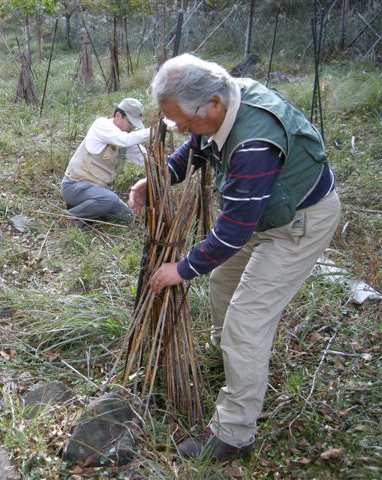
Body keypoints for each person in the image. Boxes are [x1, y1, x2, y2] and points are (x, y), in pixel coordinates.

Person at [128, 54, 340, 461]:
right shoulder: (223, 98)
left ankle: (233, 432)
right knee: (223, 280)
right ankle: (237, 360)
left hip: (298, 223)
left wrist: (182, 268)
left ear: (213, 105)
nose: (184, 130)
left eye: (185, 122)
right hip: (264, 209)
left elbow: (235, 229)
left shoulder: (253, 143)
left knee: (247, 318)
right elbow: (197, 145)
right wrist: (158, 178)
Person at [61, 98, 150, 227]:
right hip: (74, 186)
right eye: (131, 122)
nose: (133, 127)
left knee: (126, 216)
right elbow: (126, 140)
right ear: (118, 115)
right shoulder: (102, 125)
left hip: (95, 192)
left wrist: (173, 162)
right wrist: (155, 131)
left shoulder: (124, 138)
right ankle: (70, 218)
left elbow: (146, 159)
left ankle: (85, 213)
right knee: (110, 199)